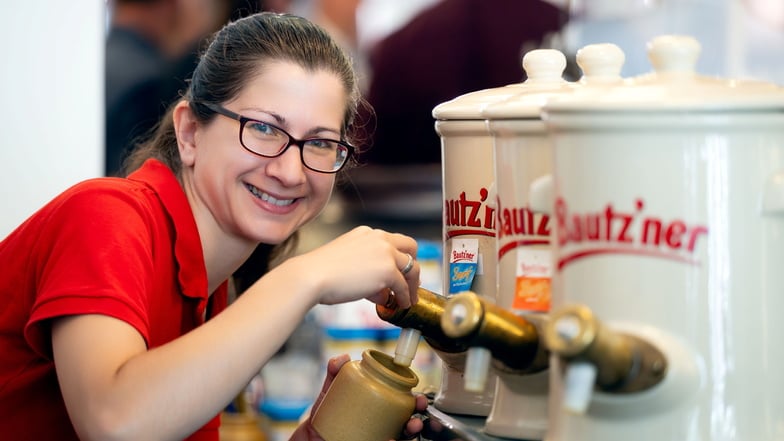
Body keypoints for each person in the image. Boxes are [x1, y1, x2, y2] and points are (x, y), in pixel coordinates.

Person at [0, 12, 427, 441]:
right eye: (262, 128)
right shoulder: (104, 216)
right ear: (189, 133)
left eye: (318, 143)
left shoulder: (210, 293)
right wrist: (306, 277)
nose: (291, 172)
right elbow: (114, 423)